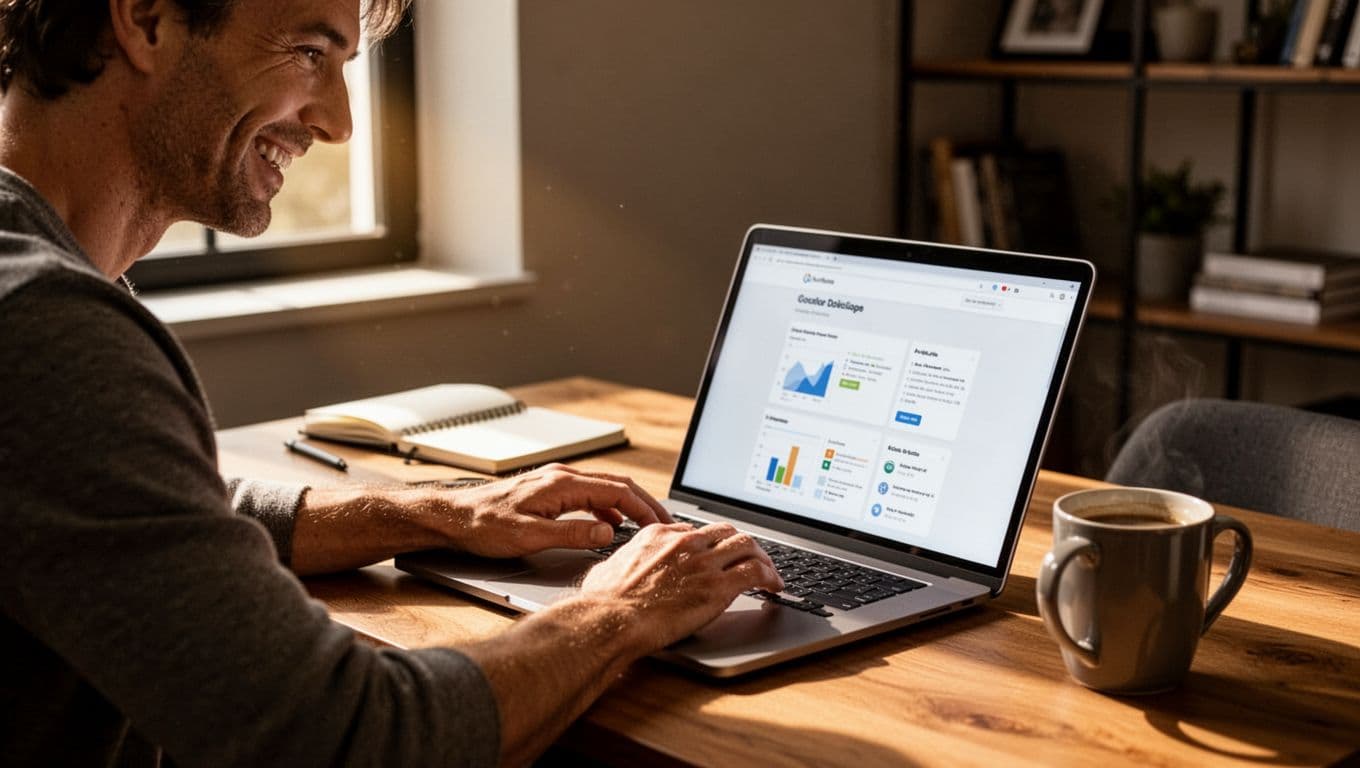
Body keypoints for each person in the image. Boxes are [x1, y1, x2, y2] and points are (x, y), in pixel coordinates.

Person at [0, 0, 784, 765]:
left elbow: (141, 517)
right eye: (310, 53)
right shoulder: (47, 327)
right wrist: (618, 611)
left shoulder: (43, 278)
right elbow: (350, 737)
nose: (339, 123)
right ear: (145, 20)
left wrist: (438, 512)